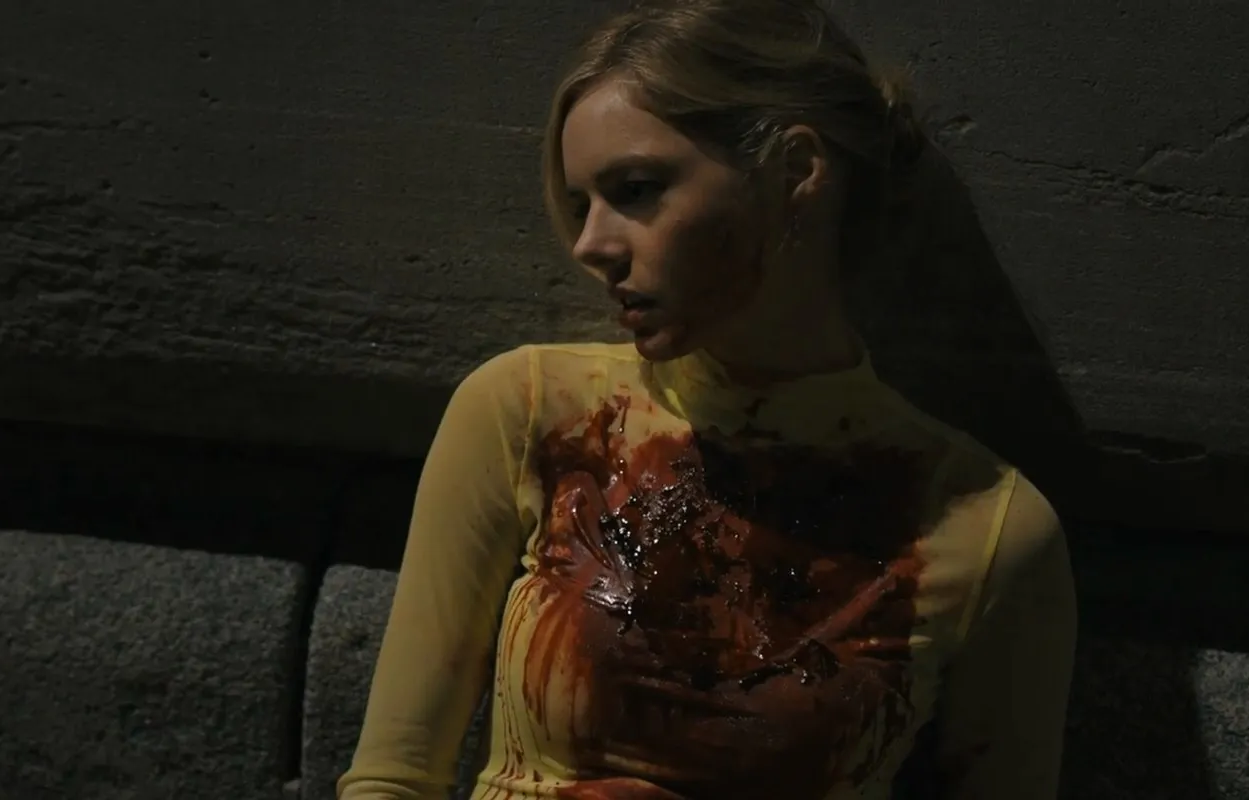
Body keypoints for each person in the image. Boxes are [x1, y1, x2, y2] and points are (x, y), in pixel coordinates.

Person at [338, 2, 1076, 798]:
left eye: (636, 189)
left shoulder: (984, 525)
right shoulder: (532, 413)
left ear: (796, 171)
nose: (590, 245)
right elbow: (392, 778)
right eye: (583, 204)